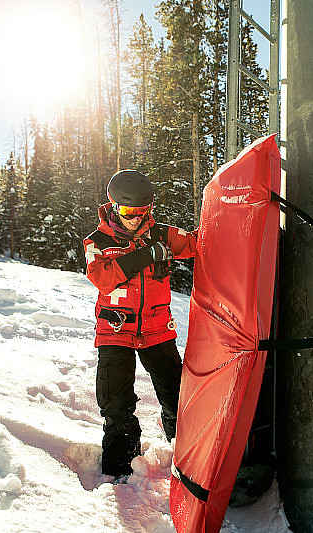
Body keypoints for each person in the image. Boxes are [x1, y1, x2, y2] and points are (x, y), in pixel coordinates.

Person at [83, 169, 197, 480]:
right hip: (115, 331)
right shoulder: (97, 241)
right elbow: (103, 278)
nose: (135, 218)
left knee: (177, 394)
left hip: (157, 328)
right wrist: (145, 255)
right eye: (128, 212)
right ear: (114, 206)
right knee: (116, 401)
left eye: (141, 212)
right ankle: (121, 474)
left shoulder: (163, 234)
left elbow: (199, 244)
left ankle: (183, 452)